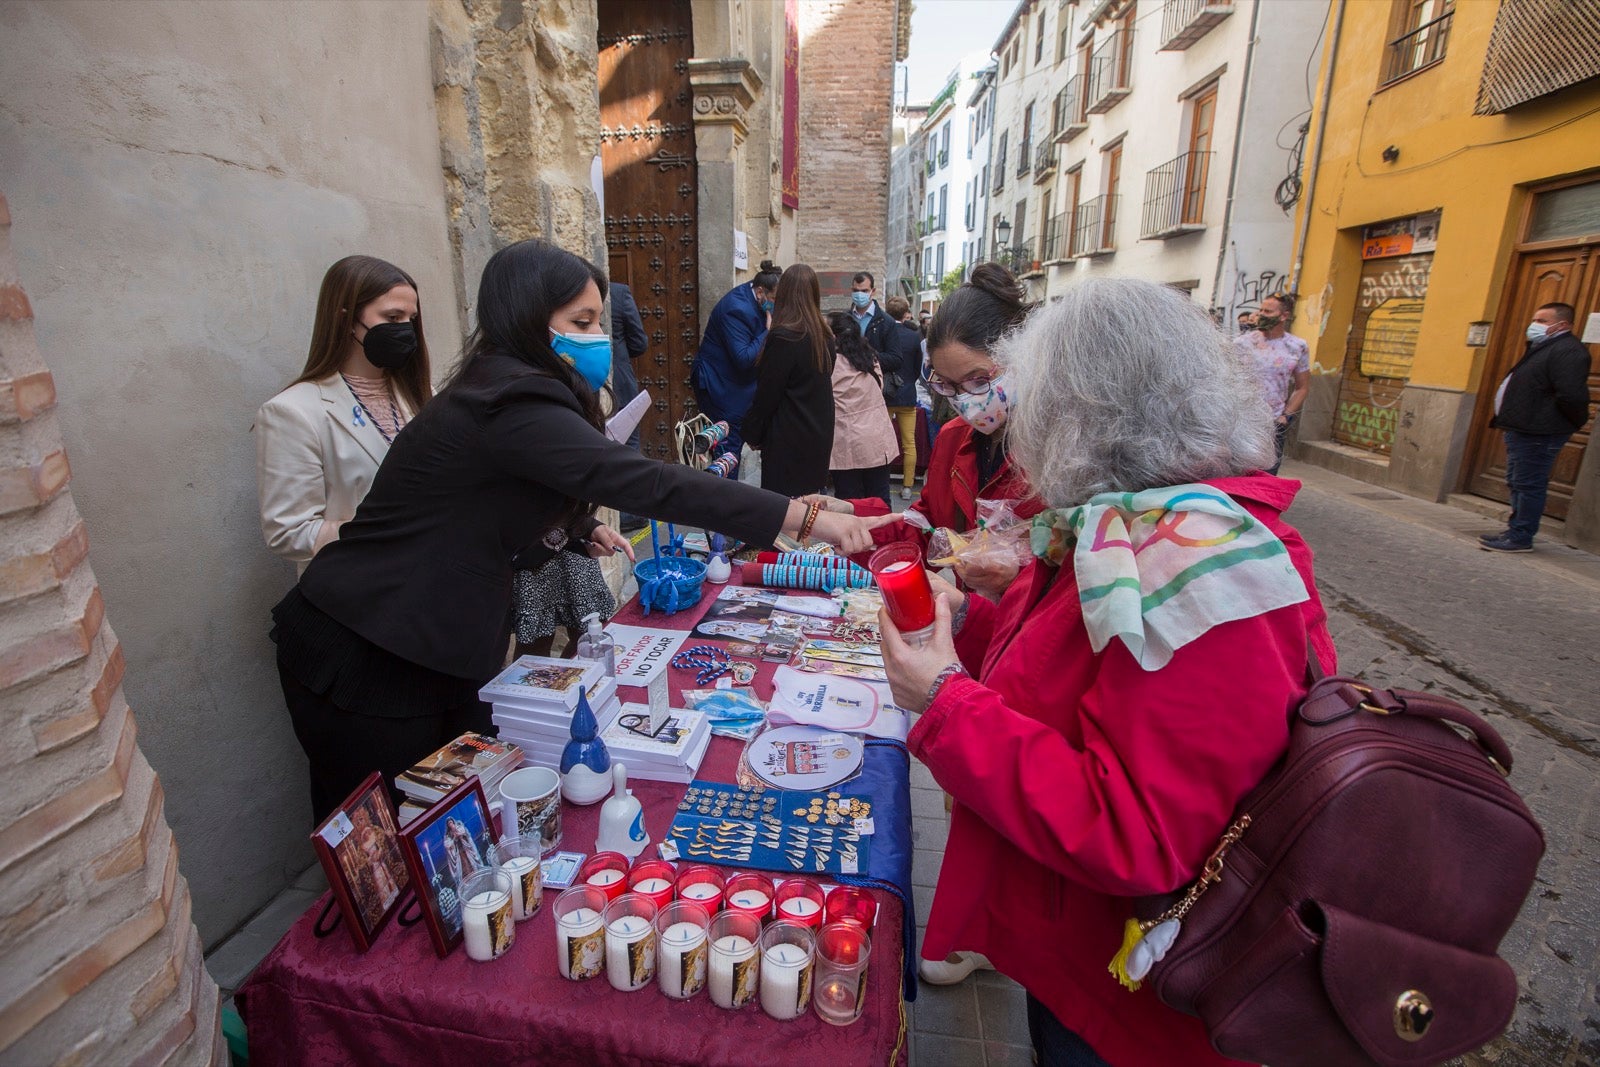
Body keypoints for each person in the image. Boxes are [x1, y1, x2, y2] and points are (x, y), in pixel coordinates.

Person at [879, 276, 1337, 1067]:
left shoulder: (1206, 563)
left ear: (1089, 416)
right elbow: (1064, 669)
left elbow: (1141, 830)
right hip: (1087, 961)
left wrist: (945, 701)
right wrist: (970, 623)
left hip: (1142, 1000)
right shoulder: (1136, 520)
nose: (1018, 433)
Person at [271, 240, 869, 822]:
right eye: (580, 321)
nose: (596, 337)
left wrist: (577, 528)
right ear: (530, 319)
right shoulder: (506, 399)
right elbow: (647, 483)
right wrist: (802, 518)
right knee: (385, 847)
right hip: (369, 646)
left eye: (596, 321)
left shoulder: (508, 390)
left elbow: (510, 495)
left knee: (451, 822)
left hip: (434, 641)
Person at [809, 264, 1046, 602]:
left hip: (1024, 632)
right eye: (948, 386)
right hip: (974, 629)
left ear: (1021, 357)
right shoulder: (954, 438)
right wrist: (848, 514)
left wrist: (1016, 575)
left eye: (978, 381)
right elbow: (928, 529)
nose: (965, 400)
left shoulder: (1059, 454)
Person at [256, 256, 432, 572]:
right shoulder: (294, 411)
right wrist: (384, 530)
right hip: (360, 590)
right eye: (392, 318)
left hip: (428, 582)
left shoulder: (421, 395)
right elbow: (288, 532)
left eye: (411, 319)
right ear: (346, 319)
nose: (405, 330)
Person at [1481, 301, 1593, 553]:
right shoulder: (1545, 346)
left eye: (1541, 321)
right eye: (1535, 320)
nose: (1534, 325)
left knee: (1529, 484)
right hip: (1524, 428)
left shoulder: (1568, 351)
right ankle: (1515, 529)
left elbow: (1572, 396)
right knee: (1517, 481)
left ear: (1561, 325)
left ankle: (1521, 536)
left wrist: (1567, 422)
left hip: (1540, 431)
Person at [742, 265, 836, 497]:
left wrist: (752, 433)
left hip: (787, 436)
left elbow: (768, 393)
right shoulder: (824, 336)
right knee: (807, 509)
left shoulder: (785, 336)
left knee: (783, 513)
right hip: (818, 433)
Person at [690, 260, 782, 457]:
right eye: (775, 299)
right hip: (720, 385)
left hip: (738, 387)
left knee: (734, 444)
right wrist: (768, 332)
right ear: (760, 293)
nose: (777, 305)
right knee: (727, 449)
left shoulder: (757, 298)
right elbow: (743, 358)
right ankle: (724, 486)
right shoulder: (736, 309)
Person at [826, 311, 899, 507]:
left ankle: (855, 538)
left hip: (846, 441)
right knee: (880, 498)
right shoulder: (870, 357)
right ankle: (884, 536)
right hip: (877, 439)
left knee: (850, 502)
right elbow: (880, 387)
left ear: (833, 336)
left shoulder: (829, 362)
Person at [1234, 293, 1309, 474]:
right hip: (1242, 420)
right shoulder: (1241, 343)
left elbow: (1303, 387)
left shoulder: (1297, 346)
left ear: (1284, 316)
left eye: (1268, 311)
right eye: (1261, 310)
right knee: (1236, 473)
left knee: (1266, 475)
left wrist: (1285, 416)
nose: (1261, 314)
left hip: (1273, 423)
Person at [881, 296, 923, 499]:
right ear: (905, 313)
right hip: (907, 395)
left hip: (886, 395)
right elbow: (917, 368)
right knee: (909, 443)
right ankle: (907, 486)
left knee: (882, 441)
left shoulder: (883, 335)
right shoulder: (914, 337)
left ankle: (882, 480)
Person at [849, 271, 899, 355]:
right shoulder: (845, 318)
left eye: (864, 291)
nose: (859, 294)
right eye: (856, 290)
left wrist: (871, 358)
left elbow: (895, 358)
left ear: (873, 291)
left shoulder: (886, 321)